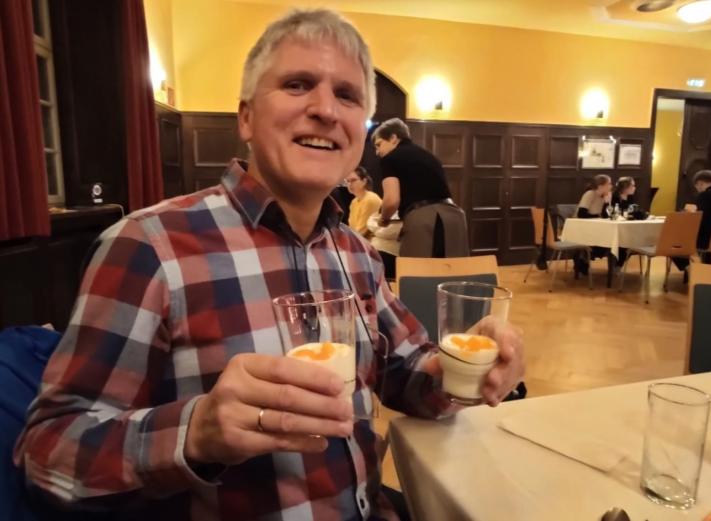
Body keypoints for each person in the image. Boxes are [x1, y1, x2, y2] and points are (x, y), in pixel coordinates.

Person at [14, 9, 525, 521]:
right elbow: (47, 454)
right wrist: (197, 433)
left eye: (347, 95)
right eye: (298, 84)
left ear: (359, 133)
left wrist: (468, 364)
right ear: (246, 118)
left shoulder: (358, 254)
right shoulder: (148, 247)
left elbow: (409, 373)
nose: (325, 109)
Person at [373, 118, 468, 258]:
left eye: (379, 144)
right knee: (454, 269)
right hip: (454, 218)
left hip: (423, 219)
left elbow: (391, 200)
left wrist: (384, 218)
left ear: (393, 138)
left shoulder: (390, 158)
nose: (377, 151)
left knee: (417, 269)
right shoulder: (430, 156)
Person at [573, 174, 612, 275]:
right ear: (601, 186)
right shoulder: (590, 194)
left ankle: (584, 258)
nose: (611, 186)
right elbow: (581, 214)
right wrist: (598, 217)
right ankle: (583, 258)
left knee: (610, 239)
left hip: (594, 227)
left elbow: (604, 216)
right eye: (609, 184)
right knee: (604, 239)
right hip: (581, 227)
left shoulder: (602, 197)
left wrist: (606, 203)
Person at [345, 166, 382, 236]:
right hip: (360, 239)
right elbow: (352, 229)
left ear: (364, 181)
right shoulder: (354, 202)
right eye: (347, 181)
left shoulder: (370, 199)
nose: (349, 184)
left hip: (373, 240)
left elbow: (362, 232)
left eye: (353, 180)